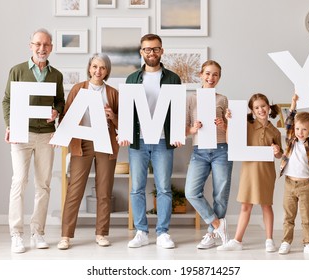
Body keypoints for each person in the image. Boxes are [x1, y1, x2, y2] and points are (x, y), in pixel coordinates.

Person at [2, 28, 65, 253]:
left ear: (51, 48)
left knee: (44, 186)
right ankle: (16, 234)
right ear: (31, 46)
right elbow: (7, 100)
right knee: (19, 182)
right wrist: (10, 124)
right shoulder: (17, 71)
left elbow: (60, 101)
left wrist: (57, 112)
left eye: (46, 45)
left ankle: (38, 232)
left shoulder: (56, 75)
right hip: (21, 134)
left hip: (46, 135)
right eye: (38, 44)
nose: (42, 49)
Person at [119, 33, 182, 249]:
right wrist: (125, 132)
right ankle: (141, 232)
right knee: (137, 188)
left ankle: (163, 232)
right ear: (141, 52)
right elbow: (127, 110)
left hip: (163, 141)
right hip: (139, 141)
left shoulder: (173, 78)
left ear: (161, 51)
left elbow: (177, 110)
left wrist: (177, 134)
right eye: (147, 49)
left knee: (164, 188)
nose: (151, 53)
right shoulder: (132, 79)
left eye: (155, 49)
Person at [57, 53, 119, 250]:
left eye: (102, 67)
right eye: (94, 66)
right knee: (74, 190)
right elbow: (66, 116)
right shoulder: (78, 89)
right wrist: (61, 137)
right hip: (82, 144)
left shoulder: (113, 93)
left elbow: (122, 124)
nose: (97, 71)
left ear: (107, 71)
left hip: (105, 144)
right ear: (89, 68)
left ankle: (101, 233)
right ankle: (66, 236)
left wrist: (113, 116)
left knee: (104, 191)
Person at [218, 93, 283, 252]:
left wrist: (277, 150)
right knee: (245, 206)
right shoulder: (246, 125)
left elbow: (280, 155)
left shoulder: (275, 131)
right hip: (249, 171)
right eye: (256, 107)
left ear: (268, 107)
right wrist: (230, 122)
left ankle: (269, 240)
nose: (261, 109)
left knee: (266, 205)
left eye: (263, 106)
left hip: (266, 172)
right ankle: (237, 241)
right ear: (252, 111)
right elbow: (230, 141)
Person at [184, 60, 232, 249]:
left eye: (215, 75)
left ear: (219, 78)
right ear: (201, 74)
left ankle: (211, 235)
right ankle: (218, 225)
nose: (211, 78)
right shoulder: (191, 98)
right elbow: (184, 129)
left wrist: (224, 125)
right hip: (200, 151)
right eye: (208, 73)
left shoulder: (223, 99)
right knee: (191, 192)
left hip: (221, 150)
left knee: (220, 194)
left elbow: (230, 131)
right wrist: (193, 129)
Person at [278, 94, 309, 256]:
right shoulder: (291, 141)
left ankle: (308, 243)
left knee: (306, 217)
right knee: (288, 216)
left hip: (305, 185)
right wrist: (293, 104)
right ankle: (286, 242)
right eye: (298, 129)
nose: (300, 132)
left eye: (304, 129)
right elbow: (289, 123)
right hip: (290, 184)